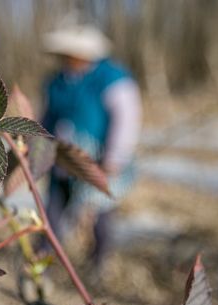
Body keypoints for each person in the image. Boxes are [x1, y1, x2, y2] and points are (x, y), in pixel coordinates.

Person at [41, 25, 142, 271]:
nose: (66, 59)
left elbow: (126, 119)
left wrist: (115, 157)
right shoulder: (56, 82)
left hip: (98, 160)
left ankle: (99, 261)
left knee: (99, 213)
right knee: (52, 210)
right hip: (61, 161)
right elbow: (46, 118)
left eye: (71, 54)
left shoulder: (111, 78)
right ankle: (44, 259)